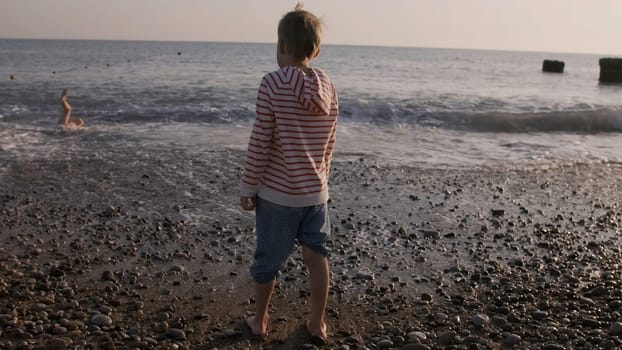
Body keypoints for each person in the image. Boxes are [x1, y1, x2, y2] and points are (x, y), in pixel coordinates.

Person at [239, 2, 339, 343]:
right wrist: (321, 178)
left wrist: (248, 186)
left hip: (278, 196)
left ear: (282, 46)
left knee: (268, 260)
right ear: (317, 50)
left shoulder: (272, 84)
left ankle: (260, 320)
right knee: (317, 255)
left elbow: (261, 141)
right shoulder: (328, 86)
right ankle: (316, 323)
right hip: (316, 193)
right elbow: (329, 140)